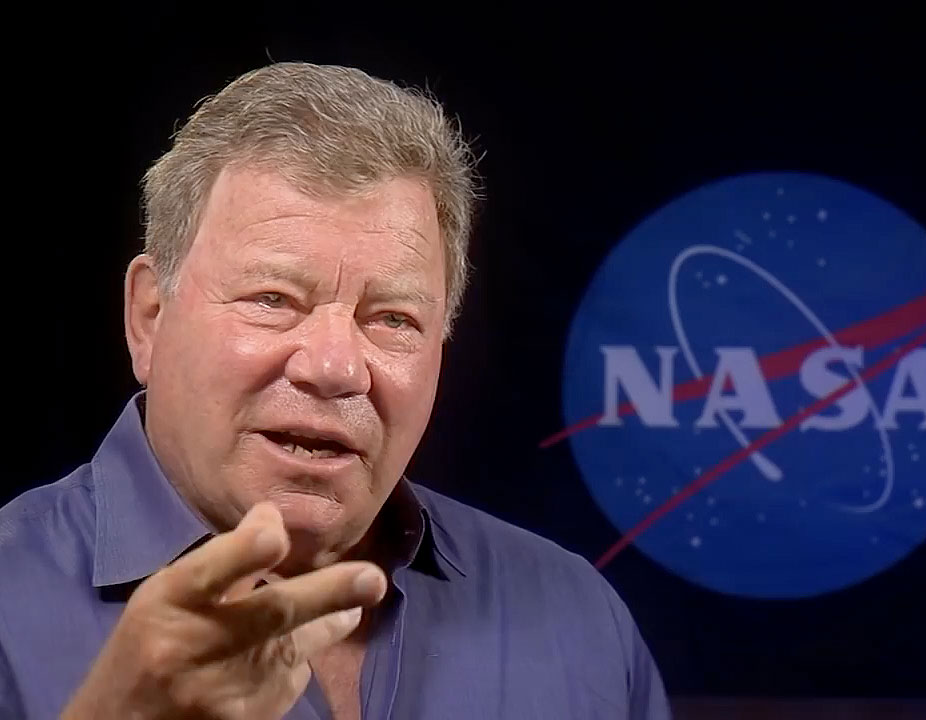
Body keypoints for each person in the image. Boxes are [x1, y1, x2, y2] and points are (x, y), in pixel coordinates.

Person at [0, 62, 671, 719]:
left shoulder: (579, 624)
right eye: (274, 299)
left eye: (392, 319)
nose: (335, 367)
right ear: (149, 317)